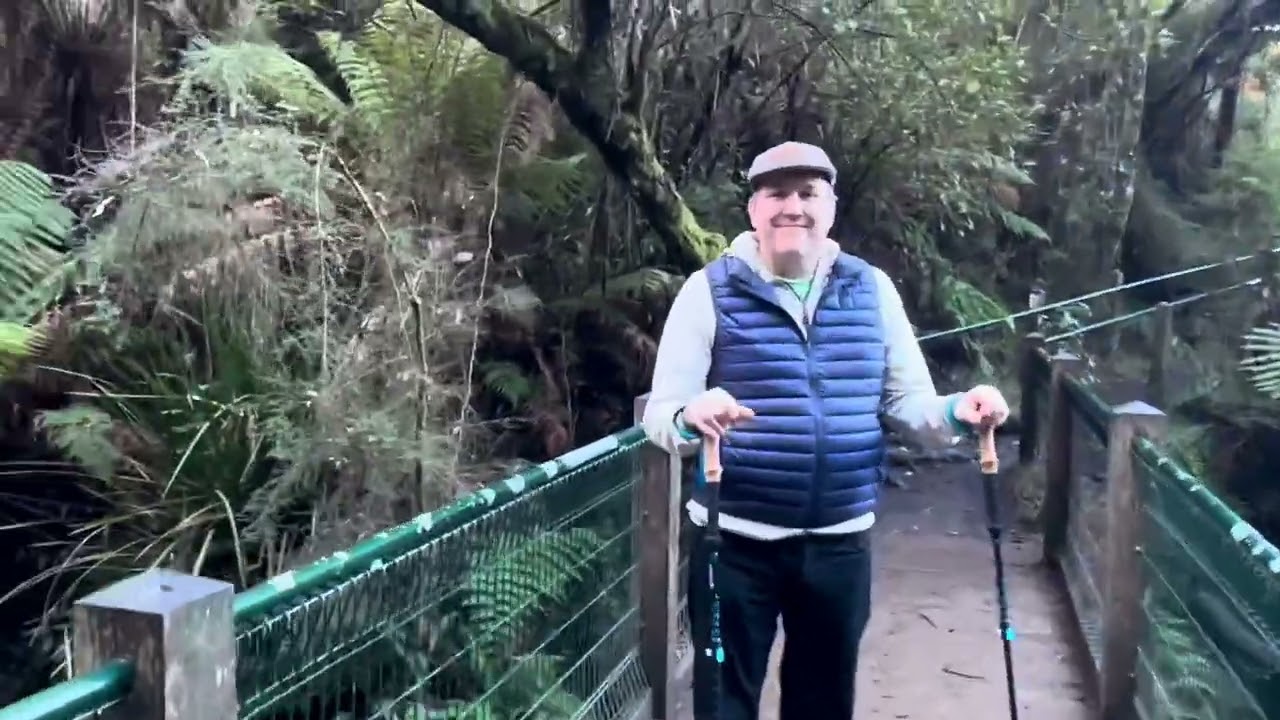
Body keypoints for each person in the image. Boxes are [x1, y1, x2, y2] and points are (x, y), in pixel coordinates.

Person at [641, 141, 1010, 720]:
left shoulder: (873, 290)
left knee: (824, 704)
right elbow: (661, 414)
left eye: (808, 194)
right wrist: (690, 417)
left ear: (831, 208)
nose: (793, 207)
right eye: (777, 194)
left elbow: (908, 402)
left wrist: (957, 411)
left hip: (840, 544)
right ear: (754, 210)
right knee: (722, 703)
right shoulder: (708, 291)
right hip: (733, 543)